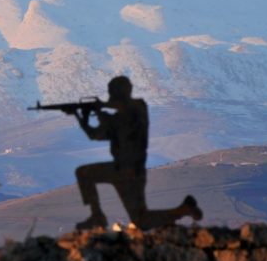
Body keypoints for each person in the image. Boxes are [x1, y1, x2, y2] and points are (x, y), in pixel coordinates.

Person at [73, 76, 202, 230]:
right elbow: (96, 135)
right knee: (140, 220)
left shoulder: (136, 108)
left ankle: (97, 217)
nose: (110, 96)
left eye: (112, 93)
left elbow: (121, 117)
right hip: (123, 169)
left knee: (85, 174)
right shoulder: (125, 114)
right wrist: (82, 118)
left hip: (129, 171)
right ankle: (183, 210)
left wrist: (100, 110)